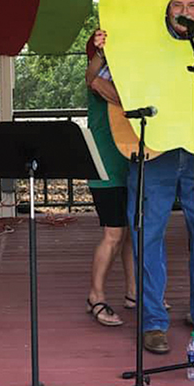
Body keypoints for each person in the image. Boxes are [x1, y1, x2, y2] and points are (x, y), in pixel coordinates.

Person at [97, 0, 194, 354]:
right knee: (147, 235)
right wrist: (130, 105)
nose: (184, 13)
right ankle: (153, 321)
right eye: (177, 5)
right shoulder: (140, 43)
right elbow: (98, 80)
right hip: (153, 150)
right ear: (166, 9)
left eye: (193, 6)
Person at [84, 33, 136, 326]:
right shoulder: (99, 76)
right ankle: (96, 296)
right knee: (114, 233)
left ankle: (133, 292)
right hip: (106, 166)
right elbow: (93, 80)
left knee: (130, 232)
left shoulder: (132, 74)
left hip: (131, 161)